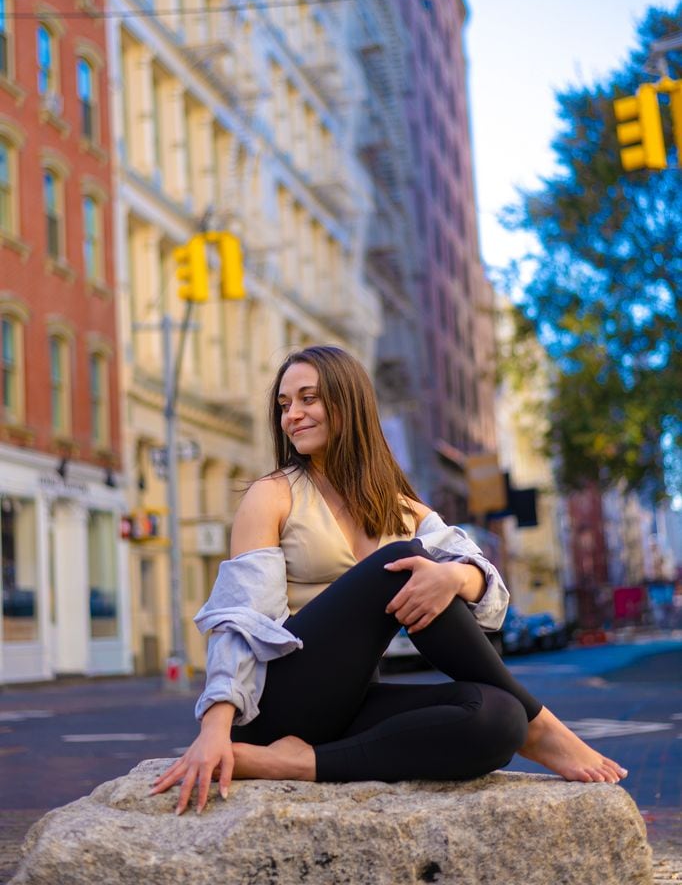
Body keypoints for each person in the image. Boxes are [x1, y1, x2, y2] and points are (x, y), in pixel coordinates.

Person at [152, 345, 627, 815]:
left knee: (500, 720)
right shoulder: (272, 496)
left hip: (345, 707)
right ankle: (545, 728)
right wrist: (215, 729)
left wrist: (453, 577)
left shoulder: (402, 509)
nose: (292, 415)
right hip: (275, 703)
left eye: (308, 399)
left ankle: (300, 764)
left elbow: (493, 600)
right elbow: (240, 620)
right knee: (401, 561)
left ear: (349, 404)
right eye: (284, 404)